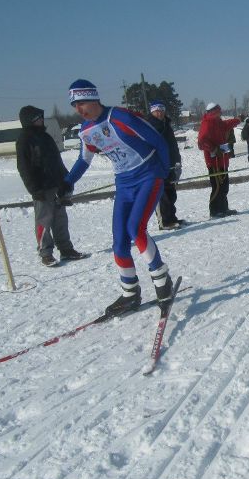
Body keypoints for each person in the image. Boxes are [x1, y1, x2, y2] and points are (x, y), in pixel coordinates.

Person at [64, 79, 173, 316]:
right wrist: (67, 182)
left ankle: (162, 279)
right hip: (124, 183)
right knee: (119, 241)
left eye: (82, 103)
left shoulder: (120, 117)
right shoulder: (86, 130)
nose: (79, 109)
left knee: (136, 228)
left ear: (93, 98)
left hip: (148, 175)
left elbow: (157, 140)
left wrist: (165, 171)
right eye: (74, 105)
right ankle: (130, 293)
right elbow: (83, 160)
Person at [16, 105, 88, 267]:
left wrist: (66, 181)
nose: (41, 120)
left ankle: (66, 249)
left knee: (60, 219)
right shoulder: (24, 139)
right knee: (44, 221)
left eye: (41, 117)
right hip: (41, 188)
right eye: (37, 119)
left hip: (56, 185)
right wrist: (35, 189)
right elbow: (23, 168)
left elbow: (57, 162)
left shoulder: (46, 137)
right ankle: (46, 253)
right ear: (28, 121)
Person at [198, 103, 241, 218]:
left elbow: (227, 124)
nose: (220, 113)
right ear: (214, 112)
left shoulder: (218, 122)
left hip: (222, 160)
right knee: (217, 187)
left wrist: (237, 120)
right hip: (214, 161)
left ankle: (223, 208)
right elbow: (201, 142)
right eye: (218, 111)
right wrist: (213, 149)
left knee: (224, 186)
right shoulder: (207, 123)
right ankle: (215, 211)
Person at [146, 101, 184, 230]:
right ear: (152, 112)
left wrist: (177, 160)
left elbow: (173, 145)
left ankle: (172, 218)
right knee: (161, 194)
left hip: (170, 163)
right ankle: (164, 222)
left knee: (171, 193)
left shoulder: (166, 124)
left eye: (162, 110)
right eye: (157, 111)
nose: (160, 113)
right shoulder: (149, 125)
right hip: (157, 165)